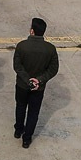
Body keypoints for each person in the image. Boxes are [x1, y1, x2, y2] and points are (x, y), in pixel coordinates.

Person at [12, 17, 60, 149]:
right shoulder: (50, 49)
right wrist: (39, 80)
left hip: (22, 85)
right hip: (38, 88)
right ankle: (26, 139)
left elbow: (17, 66)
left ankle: (18, 130)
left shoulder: (21, 46)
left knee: (20, 107)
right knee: (33, 112)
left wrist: (27, 80)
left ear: (32, 31)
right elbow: (53, 69)